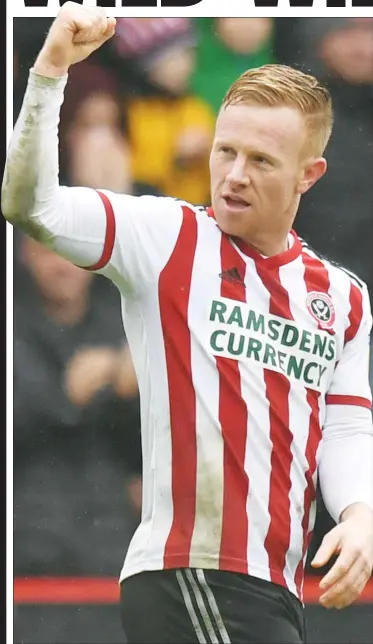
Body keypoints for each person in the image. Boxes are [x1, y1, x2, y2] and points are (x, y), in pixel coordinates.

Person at [4, 4, 373, 643]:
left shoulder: (341, 298)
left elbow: (344, 421)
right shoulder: (168, 237)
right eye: (225, 151)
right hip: (191, 576)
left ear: (308, 176)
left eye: (260, 160)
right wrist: (50, 74)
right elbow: (30, 207)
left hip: (278, 590)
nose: (232, 176)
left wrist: (360, 515)